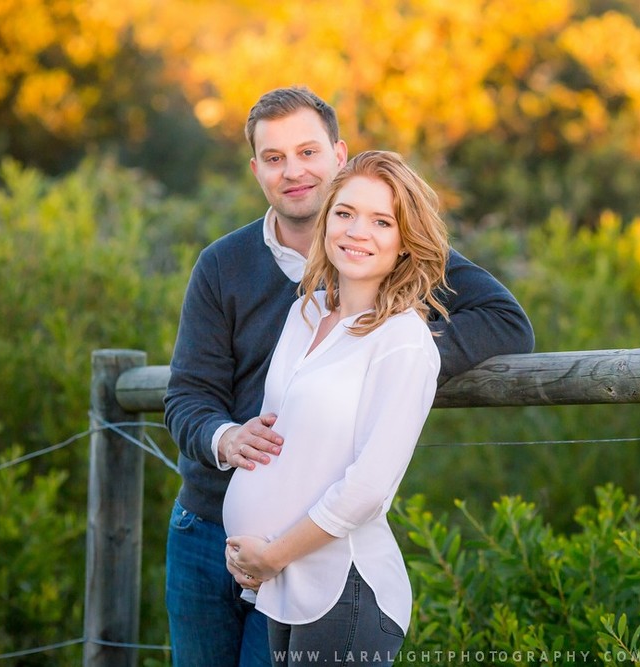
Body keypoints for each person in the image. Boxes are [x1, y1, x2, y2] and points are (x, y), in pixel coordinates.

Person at [163, 85, 534, 667]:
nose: (294, 172)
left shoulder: (384, 248)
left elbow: (504, 322)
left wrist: (374, 349)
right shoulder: (236, 271)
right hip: (205, 530)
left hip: (307, 549)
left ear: (338, 157)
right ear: (255, 168)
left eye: (308, 152)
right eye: (274, 157)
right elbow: (188, 394)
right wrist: (224, 437)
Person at [223, 150, 448, 666]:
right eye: (345, 213)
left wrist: (271, 556)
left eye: (381, 220)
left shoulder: (403, 340)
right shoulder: (307, 312)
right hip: (284, 586)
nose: (356, 232)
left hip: (343, 589)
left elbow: (368, 490)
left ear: (405, 240)